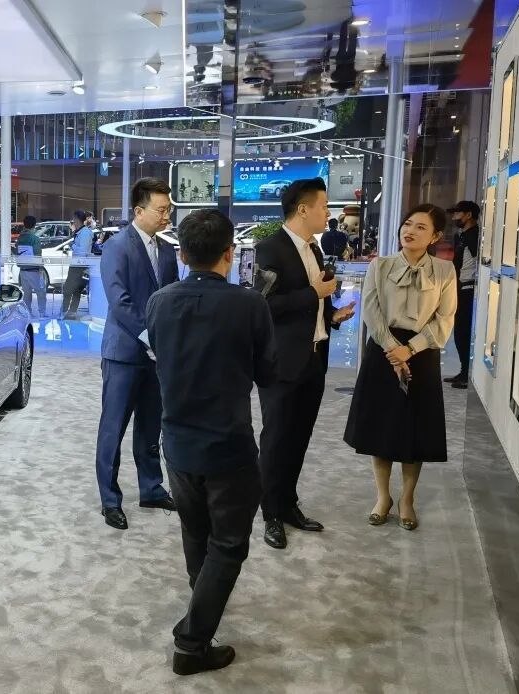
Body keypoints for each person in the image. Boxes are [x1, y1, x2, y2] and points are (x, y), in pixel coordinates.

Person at [146, 209, 277, 676]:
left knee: (195, 532)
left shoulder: (158, 302)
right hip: (228, 445)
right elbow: (268, 372)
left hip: (177, 441)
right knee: (229, 543)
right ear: (230, 253)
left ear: (181, 255)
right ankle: (192, 641)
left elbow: (157, 355)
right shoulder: (250, 305)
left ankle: (201, 606)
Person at [253, 177, 356, 550]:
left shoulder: (314, 249)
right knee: (276, 438)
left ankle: (287, 503)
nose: (328, 213)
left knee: (299, 436)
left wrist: (331, 316)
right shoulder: (270, 249)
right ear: (302, 209)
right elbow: (263, 305)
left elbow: (313, 306)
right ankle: (270, 513)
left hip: (314, 358)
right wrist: (313, 293)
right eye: (324, 206)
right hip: (282, 363)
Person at [344, 204, 457, 531]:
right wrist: (393, 349)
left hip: (422, 352)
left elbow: (444, 319)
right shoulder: (380, 266)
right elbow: (371, 309)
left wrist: (411, 349)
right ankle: (383, 497)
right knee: (380, 427)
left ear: (435, 236)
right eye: (407, 224)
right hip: (384, 349)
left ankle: (407, 499)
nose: (410, 231)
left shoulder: (444, 271)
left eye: (421, 227)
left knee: (414, 430)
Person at [94, 177, 180, 530]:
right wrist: (150, 337)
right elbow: (120, 301)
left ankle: (151, 488)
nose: (166, 215)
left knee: (151, 424)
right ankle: (110, 500)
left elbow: (172, 298)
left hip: (157, 357)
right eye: (161, 209)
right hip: (125, 353)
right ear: (139, 211)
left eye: (169, 209)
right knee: (113, 428)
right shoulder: (117, 247)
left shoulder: (168, 251)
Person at [445, 201, 481, 389]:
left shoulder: (474, 236)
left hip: (467, 288)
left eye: (457, 213)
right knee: (459, 332)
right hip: (460, 287)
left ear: (468, 215)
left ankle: (466, 373)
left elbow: (476, 262)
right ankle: (463, 371)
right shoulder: (463, 235)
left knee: (463, 332)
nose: (454, 217)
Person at [63, 210, 94, 319]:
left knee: (75, 290)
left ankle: (70, 312)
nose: (72, 221)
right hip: (76, 264)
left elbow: (83, 251)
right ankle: (65, 311)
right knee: (69, 289)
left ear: (77, 219)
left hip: (80, 266)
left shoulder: (85, 233)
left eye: (73, 218)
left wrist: (72, 246)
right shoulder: (80, 231)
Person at [16, 215, 47, 318]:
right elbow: (37, 255)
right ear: (34, 226)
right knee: (41, 292)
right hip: (33, 270)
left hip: (23, 270)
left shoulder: (20, 238)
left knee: (27, 293)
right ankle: (42, 313)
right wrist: (41, 268)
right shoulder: (35, 239)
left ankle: (28, 313)